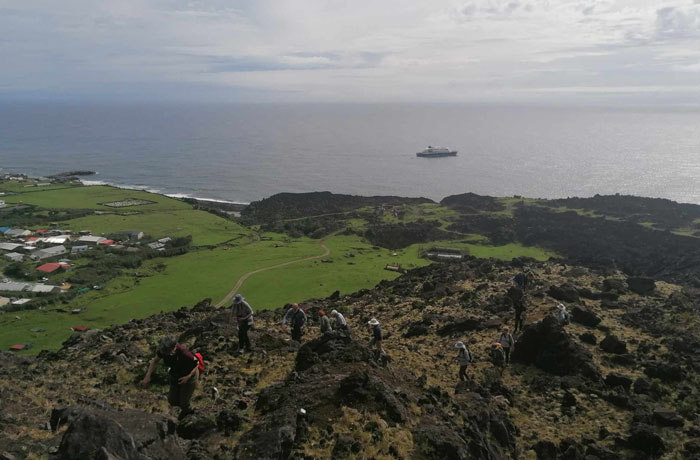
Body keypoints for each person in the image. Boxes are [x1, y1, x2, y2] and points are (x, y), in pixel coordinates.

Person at [141, 336, 199, 418]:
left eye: (168, 352)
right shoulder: (163, 350)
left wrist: (188, 377)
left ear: (174, 347)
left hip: (189, 376)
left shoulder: (185, 353)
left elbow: (196, 364)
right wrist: (147, 376)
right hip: (175, 374)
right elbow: (155, 361)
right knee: (172, 400)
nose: (165, 354)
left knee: (184, 402)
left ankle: (189, 413)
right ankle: (181, 412)